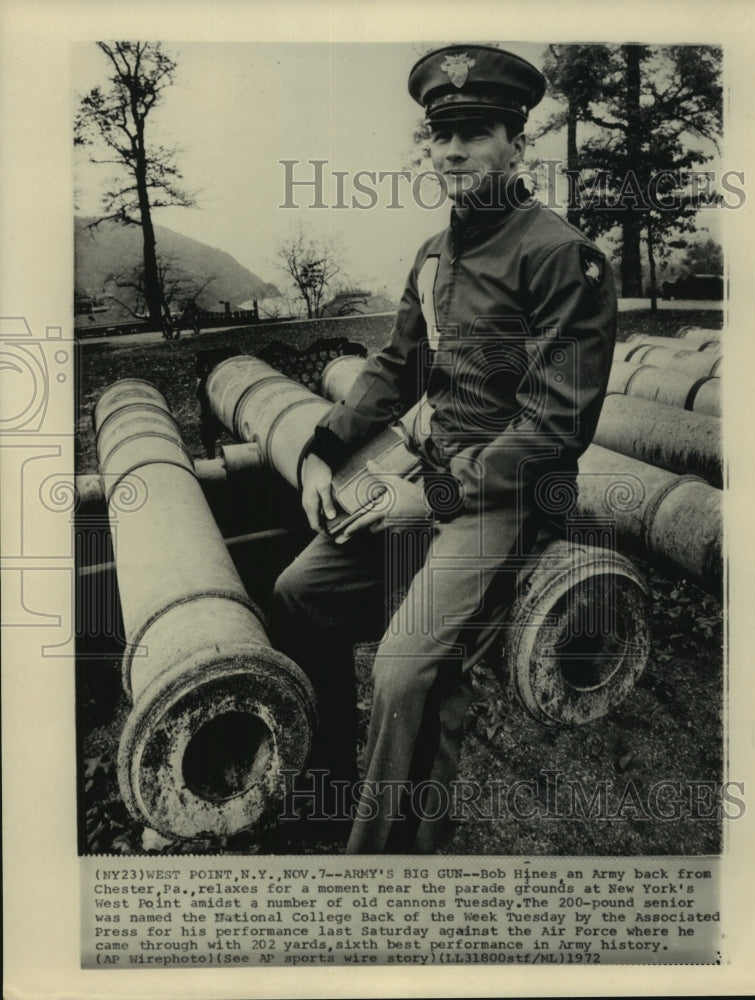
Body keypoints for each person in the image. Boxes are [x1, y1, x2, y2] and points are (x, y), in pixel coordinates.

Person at [269, 44, 617, 854]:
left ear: (516, 143)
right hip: (426, 476)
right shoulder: (435, 253)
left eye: (476, 131)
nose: (453, 151)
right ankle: (325, 791)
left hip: (508, 496)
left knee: (405, 671)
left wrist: (435, 497)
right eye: (440, 135)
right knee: (297, 592)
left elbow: (553, 428)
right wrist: (324, 449)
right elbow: (396, 367)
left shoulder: (563, 256)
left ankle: (390, 868)